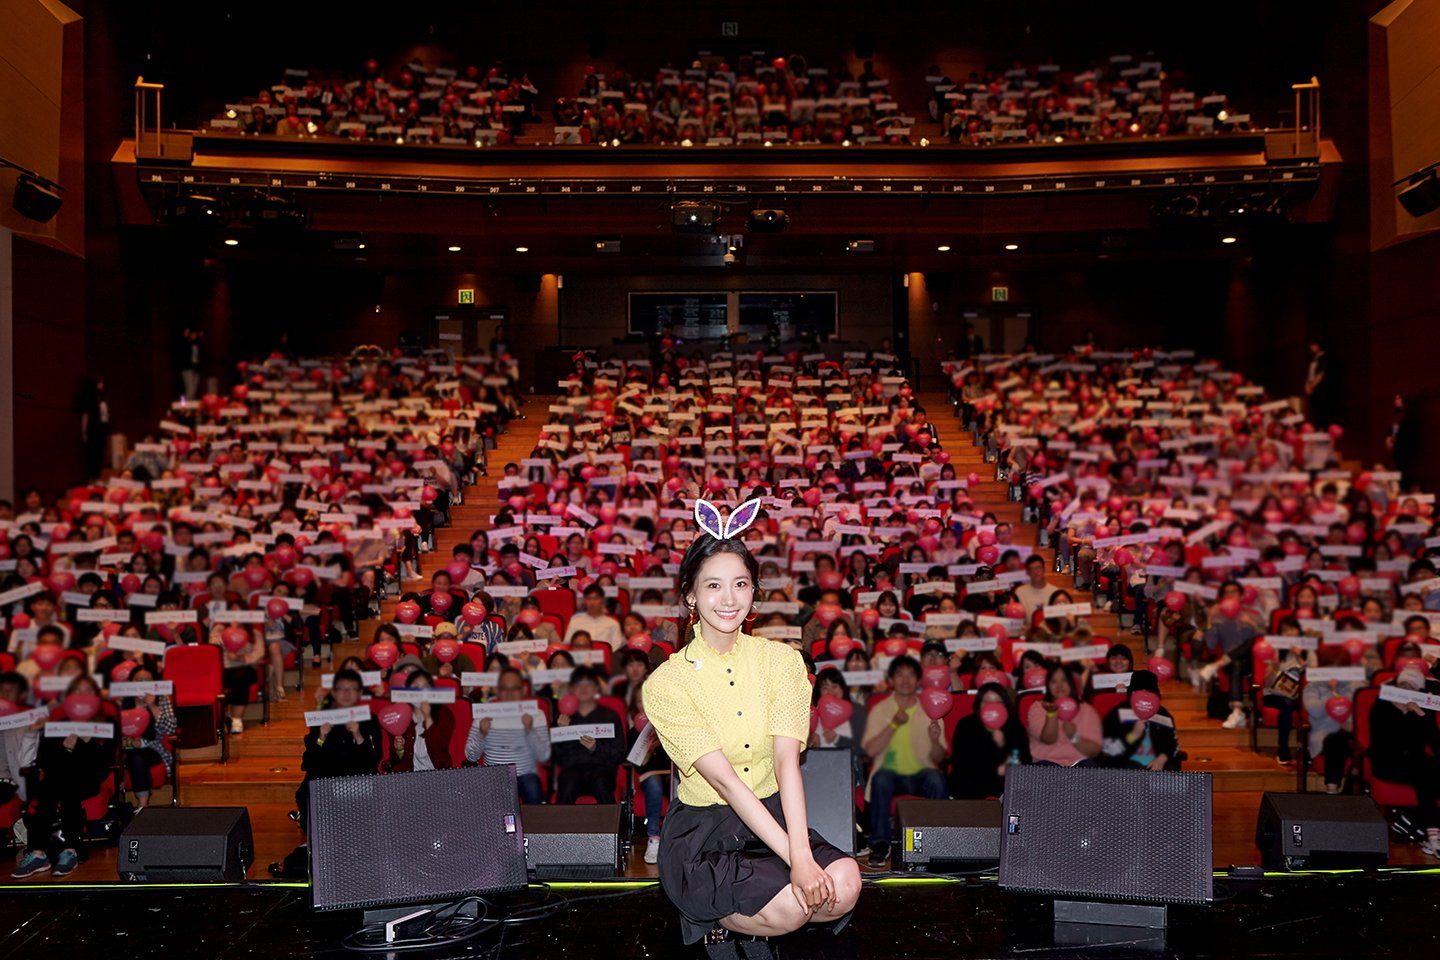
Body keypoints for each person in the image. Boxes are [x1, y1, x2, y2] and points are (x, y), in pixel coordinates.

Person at [644, 509, 859, 956]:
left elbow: (786, 763)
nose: (729, 599)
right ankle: (716, 915)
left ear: (754, 591)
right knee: (793, 907)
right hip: (705, 829)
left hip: (771, 816)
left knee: (845, 885)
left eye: (740, 584)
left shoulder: (782, 662)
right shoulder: (666, 683)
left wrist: (801, 855)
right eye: (713, 585)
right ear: (690, 595)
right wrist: (798, 862)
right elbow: (725, 782)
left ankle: (753, 905)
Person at [11, 676, 115, 879]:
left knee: (69, 786)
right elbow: (44, 760)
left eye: (87, 691)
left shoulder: (105, 723)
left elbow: (105, 761)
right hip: (58, 776)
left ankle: (71, 850)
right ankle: (38, 853)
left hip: (89, 777)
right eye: (77, 691)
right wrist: (65, 748)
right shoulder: (58, 725)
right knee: (44, 788)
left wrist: (87, 742)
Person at [860, 655, 949, 868]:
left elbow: (939, 758)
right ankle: (880, 844)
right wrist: (893, 725)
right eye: (900, 674)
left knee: (937, 779)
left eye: (911, 675)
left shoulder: (932, 709)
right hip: (890, 772)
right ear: (891, 679)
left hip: (922, 772)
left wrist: (935, 740)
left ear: (918, 680)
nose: (906, 680)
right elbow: (870, 751)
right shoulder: (880, 709)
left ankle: (935, 842)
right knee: (881, 779)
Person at [294, 669, 382, 832]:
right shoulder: (321, 719)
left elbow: (375, 759)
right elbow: (309, 761)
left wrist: (358, 736)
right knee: (306, 791)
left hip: (359, 778)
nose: (346, 693)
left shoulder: (369, 719)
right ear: (333, 693)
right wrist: (321, 737)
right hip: (327, 779)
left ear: (359, 693)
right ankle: (319, 837)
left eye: (352, 688)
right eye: (341, 688)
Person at [1367, 665, 1440, 857]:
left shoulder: (1422, 707)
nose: (1406, 690)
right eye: (1403, 685)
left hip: (1416, 763)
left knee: (1426, 770)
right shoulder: (1382, 705)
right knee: (1425, 772)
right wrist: (1401, 713)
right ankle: (1431, 836)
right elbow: (1382, 742)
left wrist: (1419, 714)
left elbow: (1434, 742)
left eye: (1411, 687)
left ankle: (1410, 823)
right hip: (1388, 763)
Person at [465, 667, 551, 805]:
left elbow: (544, 756)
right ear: (497, 691)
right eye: (504, 688)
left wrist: (529, 730)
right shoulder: (484, 714)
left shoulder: (535, 714)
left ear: (523, 690)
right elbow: (471, 756)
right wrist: (482, 734)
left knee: (532, 786)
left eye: (515, 688)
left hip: (525, 774)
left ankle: (536, 820)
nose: (510, 693)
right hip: (494, 775)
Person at [551, 666, 625, 802]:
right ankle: (562, 818)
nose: (583, 688)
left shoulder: (610, 716)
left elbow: (619, 754)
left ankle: (611, 817)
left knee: (601, 783)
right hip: (572, 770)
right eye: (578, 684)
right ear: (571, 689)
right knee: (568, 783)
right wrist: (562, 732)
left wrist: (596, 748)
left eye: (588, 684)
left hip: (602, 770)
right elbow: (557, 758)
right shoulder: (563, 718)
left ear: (596, 688)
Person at [948, 681, 1029, 799]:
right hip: (973, 783)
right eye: (986, 702)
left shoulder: (1015, 725)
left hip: (1006, 783)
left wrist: (1002, 744)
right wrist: (996, 771)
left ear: (1005, 704)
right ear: (979, 704)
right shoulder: (966, 724)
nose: (992, 706)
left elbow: (1025, 759)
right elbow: (961, 762)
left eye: (998, 702)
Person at [627, 679, 671, 865]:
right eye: (640, 701)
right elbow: (638, 763)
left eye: (648, 700)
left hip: (671, 773)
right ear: (635, 705)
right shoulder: (633, 732)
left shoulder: (669, 727)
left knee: (680, 784)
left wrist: (663, 741)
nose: (644, 705)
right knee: (654, 785)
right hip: (649, 775)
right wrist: (649, 747)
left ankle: (679, 838)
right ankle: (654, 838)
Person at [118, 666, 177, 806]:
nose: (144, 684)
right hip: (126, 748)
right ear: (131, 683)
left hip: (153, 748)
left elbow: (170, 728)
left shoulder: (161, 698)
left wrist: (152, 706)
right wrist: (129, 742)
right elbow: (115, 731)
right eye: (139, 680)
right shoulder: (122, 701)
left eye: (148, 680)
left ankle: (142, 804)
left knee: (136, 757)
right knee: (133, 755)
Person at [1099, 670, 1179, 770]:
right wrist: (1132, 736)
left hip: (1158, 766)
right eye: (1139, 691)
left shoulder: (1163, 715)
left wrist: (1162, 759)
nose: (1144, 696)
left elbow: (1173, 745)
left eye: (1148, 692)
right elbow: (1106, 751)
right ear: (1131, 692)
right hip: (1124, 766)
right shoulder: (1118, 713)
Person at [1025, 664, 1102, 767]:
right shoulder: (1038, 707)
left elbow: (1094, 751)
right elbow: (1048, 739)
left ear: (1071, 683)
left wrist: (1074, 737)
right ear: (1047, 685)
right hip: (1046, 763)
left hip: (1079, 762)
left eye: (1064, 680)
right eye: (1053, 681)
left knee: (1090, 767)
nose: (1059, 686)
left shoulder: (1085, 709)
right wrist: (1051, 714)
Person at [384, 670, 456, 772]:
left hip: (436, 773)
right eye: (415, 687)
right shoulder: (400, 714)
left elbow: (438, 747)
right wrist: (399, 749)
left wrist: (428, 718)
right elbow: (395, 758)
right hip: (408, 775)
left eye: (424, 687)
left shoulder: (443, 713)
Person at [564, 584, 624, 650]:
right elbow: (567, 644)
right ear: (584, 601)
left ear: (602, 600)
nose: (592, 602)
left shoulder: (613, 623)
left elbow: (617, 647)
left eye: (596, 598)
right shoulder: (575, 621)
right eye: (589, 599)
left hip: (606, 656)